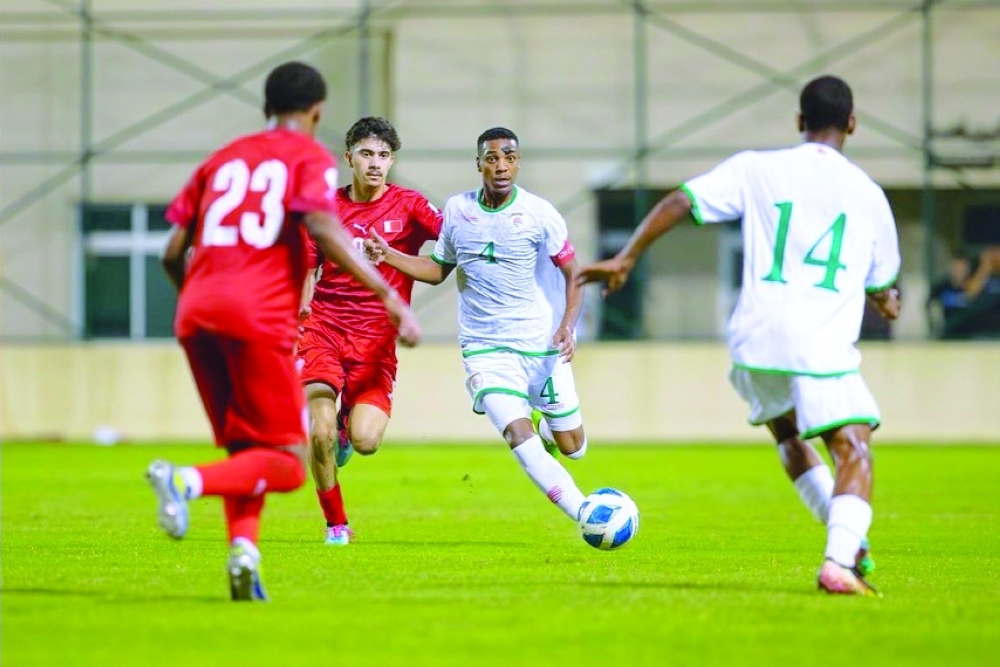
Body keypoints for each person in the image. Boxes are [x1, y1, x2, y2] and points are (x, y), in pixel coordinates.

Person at [578, 75, 901, 597]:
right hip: (817, 344)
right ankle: (840, 561)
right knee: (854, 449)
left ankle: (849, 542)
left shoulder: (757, 167)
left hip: (754, 341)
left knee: (790, 436)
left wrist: (626, 257)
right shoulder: (868, 195)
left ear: (800, 121)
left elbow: (681, 200)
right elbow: (882, 284)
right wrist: (887, 301)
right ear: (853, 124)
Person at [146, 62, 422, 602]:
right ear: (317, 112)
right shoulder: (306, 158)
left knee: (244, 448)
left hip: (196, 316)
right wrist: (388, 293)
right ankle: (184, 481)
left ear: (265, 106)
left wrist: (200, 303)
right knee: (287, 464)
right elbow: (322, 227)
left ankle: (243, 553)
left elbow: (173, 252)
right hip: (256, 320)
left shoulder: (222, 158)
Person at [365, 127, 592, 527]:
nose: (501, 166)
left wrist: (567, 325)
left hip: (541, 345)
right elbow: (438, 269)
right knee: (517, 435)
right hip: (485, 348)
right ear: (479, 164)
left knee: (573, 447)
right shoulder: (457, 210)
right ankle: (585, 512)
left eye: (509, 157)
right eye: (492, 158)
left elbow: (574, 274)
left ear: (518, 163)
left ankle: (549, 430)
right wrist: (388, 255)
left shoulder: (540, 214)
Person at [297, 116, 442, 546]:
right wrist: (298, 317)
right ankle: (336, 525)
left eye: (383, 155)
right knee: (318, 431)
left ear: (391, 160)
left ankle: (347, 427)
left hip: (376, 343)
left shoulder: (411, 206)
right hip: (323, 329)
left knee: (365, 441)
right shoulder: (325, 209)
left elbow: (451, 248)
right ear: (349, 158)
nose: (375, 163)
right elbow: (307, 270)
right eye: (366, 154)